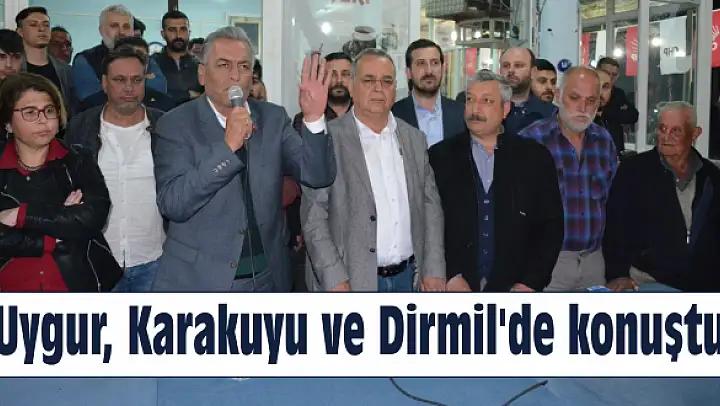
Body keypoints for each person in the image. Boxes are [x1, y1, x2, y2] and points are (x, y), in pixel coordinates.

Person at [151, 26, 336, 292]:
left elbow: (317, 176)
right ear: (202, 74)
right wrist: (228, 148)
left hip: (268, 278)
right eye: (224, 65)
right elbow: (174, 204)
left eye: (244, 66)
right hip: (201, 282)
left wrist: (315, 118)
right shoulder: (175, 124)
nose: (235, 75)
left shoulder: (273, 118)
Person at [301, 48, 446, 292]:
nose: (379, 88)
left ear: (395, 88)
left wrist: (433, 267)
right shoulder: (328, 139)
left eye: (386, 81)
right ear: (352, 86)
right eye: (369, 80)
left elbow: (430, 206)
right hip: (348, 281)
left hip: (408, 279)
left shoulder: (414, 139)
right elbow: (313, 216)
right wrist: (333, 278)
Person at [429, 70, 563, 292]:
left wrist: (530, 282)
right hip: (456, 286)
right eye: (470, 99)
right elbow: (430, 223)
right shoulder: (440, 156)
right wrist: (451, 274)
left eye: (487, 101)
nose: (475, 108)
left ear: (505, 108)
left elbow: (551, 226)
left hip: (515, 287)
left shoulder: (534, 157)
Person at [0, 72, 121, 291]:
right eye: (30, 112)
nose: (43, 120)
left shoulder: (78, 160)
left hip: (77, 289)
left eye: (49, 110)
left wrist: (20, 215)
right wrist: (54, 231)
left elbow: (92, 217)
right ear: (8, 122)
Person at [64, 46, 166, 292]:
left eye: (136, 80)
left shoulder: (166, 126)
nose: (129, 88)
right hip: (95, 261)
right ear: (104, 83)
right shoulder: (80, 127)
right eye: (119, 80)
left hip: (155, 260)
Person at [603, 101, 720, 292]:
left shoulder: (711, 176)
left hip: (702, 286)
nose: (666, 137)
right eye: (662, 129)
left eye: (676, 131)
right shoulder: (634, 171)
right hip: (647, 281)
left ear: (695, 134)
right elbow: (615, 227)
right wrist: (617, 274)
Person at [519, 66, 617, 291]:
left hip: (594, 262)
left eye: (591, 101)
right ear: (558, 96)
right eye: (574, 98)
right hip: (546, 263)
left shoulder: (604, 141)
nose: (583, 108)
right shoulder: (532, 140)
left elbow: (612, 204)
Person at [72, 4, 166, 101]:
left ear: (132, 31)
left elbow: (158, 89)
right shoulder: (86, 59)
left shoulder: (145, 58)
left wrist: (112, 86)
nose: (121, 32)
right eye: (114, 26)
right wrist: (143, 80)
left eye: (126, 27)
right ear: (101, 30)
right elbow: (92, 98)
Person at [392, 39, 465, 147]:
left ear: (443, 68)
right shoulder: (393, 115)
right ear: (408, 72)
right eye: (421, 63)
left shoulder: (462, 113)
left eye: (434, 63)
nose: (429, 71)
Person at [77, 37, 175, 112]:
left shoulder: (164, 104)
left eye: (142, 58)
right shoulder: (91, 105)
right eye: (128, 57)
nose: (134, 63)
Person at [15, 7, 77, 118]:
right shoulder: (13, 69)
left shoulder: (65, 71)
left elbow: (72, 110)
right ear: (20, 32)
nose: (41, 29)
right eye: (33, 25)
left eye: (46, 25)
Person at [499, 47, 556, 134]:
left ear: (533, 72)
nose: (511, 70)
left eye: (518, 65)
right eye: (506, 66)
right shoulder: (487, 109)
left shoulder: (552, 114)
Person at [292, 52, 353, 132]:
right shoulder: (305, 119)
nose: (339, 80)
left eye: (345, 74)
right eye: (332, 75)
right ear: (322, 78)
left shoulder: (365, 114)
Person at [152, 11, 203, 106]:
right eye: (172, 30)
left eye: (183, 29)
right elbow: (151, 96)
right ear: (163, 34)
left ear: (189, 32)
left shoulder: (201, 65)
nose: (178, 35)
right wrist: (187, 95)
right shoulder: (152, 64)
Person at [596, 57, 639, 154]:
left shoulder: (618, 94)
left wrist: (605, 112)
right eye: (607, 73)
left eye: (614, 75)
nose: (610, 77)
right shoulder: (586, 93)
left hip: (615, 150)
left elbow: (633, 115)